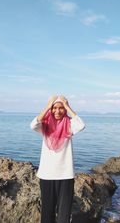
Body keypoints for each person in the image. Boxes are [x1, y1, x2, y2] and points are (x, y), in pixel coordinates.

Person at [30, 95, 85, 223]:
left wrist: (68, 106)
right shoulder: (45, 125)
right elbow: (33, 125)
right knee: (47, 213)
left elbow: (81, 125)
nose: (57, 111)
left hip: (66, 175)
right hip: (47, 174)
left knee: (64, 214)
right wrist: (48, 106)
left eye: (61, 108)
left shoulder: (70, 124)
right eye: (54, 108)